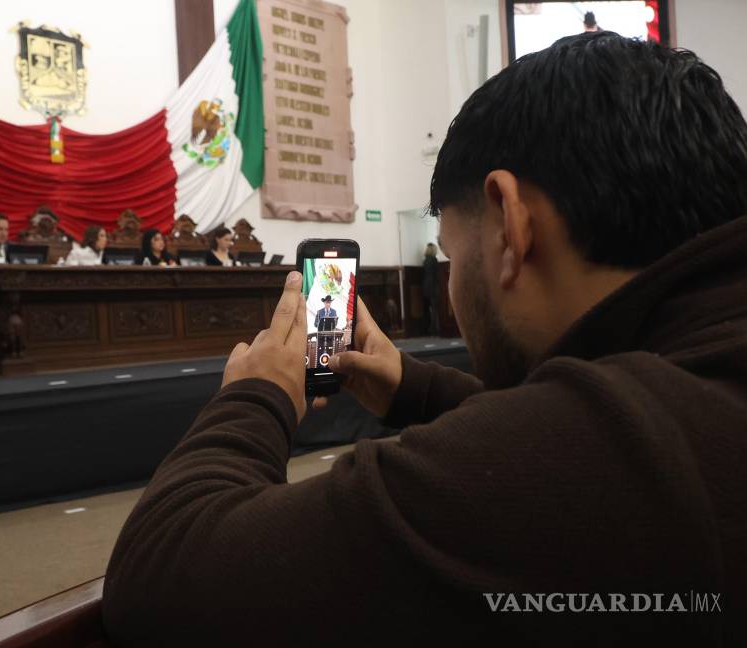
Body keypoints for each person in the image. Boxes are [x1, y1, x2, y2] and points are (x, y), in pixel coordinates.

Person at [102, 32, 747, 646]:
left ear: (511, 225)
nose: (451, 280)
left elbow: (163, 577)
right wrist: (415, 389)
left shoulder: (606, 450)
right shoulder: (690, 387)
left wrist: (255, 396)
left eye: (450, 253)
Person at [422, 242, 440, 335]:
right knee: (434, 309)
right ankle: (434, 329)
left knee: (428, 310)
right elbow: (437, 274)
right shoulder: (434, 260)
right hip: (433, 286)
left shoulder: (425, 260)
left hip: (426, 286)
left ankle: (428, 329)